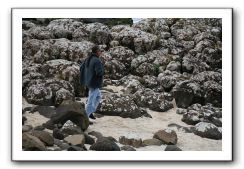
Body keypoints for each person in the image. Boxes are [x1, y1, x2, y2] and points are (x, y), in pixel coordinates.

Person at [80, 45, 104, 120]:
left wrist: (87, 76)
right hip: (94, 83)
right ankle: (85, 117)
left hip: (89, 82)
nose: (101, 52)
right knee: (91, 99)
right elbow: (99, 72)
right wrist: (104, 70)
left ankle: (90, 112)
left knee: (98, 97)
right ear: (97, 52)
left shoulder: (88, 58)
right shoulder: (97, 60)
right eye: (100, 51)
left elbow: (81, 67)